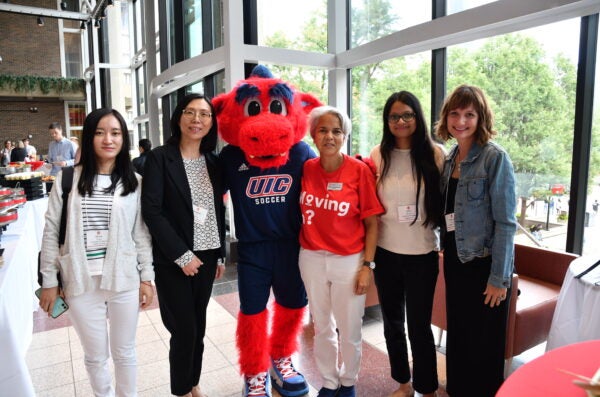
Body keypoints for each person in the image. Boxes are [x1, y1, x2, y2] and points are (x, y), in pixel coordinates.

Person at [214, 65, 321, 397]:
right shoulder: (231, 157)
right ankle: (255, 372)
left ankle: (281, 359)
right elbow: (207, 195)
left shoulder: (301, 152)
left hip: (292, 245)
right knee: (252, 312)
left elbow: (328, 185)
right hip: (252, 249)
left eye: (276, 107)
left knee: (292, 306)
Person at [38, 108, 155, 397]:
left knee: (125, 352)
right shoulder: (68, 180)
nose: (108, 139)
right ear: (89, 137)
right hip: (80, 281)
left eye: (115, 133)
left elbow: (141, 234)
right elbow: (52, 232)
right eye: (100, 132)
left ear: (123, 139)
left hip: (124, 278)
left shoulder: (135, 183)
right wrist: (49, 283)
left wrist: (147, 277)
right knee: (95, 355)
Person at [142, 93, 226, 397]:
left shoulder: (214, 163)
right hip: (175, 259)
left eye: (204, 114)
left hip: (207, 255)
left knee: (199, 328)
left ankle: (193, 382)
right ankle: (181, 389)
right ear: (179, 117)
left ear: (211, 122)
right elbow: (152, 211)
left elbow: (217, 209)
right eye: (190, 113)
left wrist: (219, 256)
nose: (197, 119)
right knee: (184, 330)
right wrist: (181, 255)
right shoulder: (160, 158)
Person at [436, 84, 517, 397]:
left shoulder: (495, 158)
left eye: (469, 114)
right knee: (459, 332)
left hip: (485, 265)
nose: (461, 120)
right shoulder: (450, 157)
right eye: (455, 113)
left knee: (484, 343)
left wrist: (500, 278)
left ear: (480, 118)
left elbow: (507, 224)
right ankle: (457, 389)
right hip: (457, 260)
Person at [298, 106, 384, 397]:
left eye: (336, 131)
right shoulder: (307, 168)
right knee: (322, 326)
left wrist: (366, 266)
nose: (329, 136)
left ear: (345, 136)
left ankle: (348, 381)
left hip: (348, 260)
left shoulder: (359, 171)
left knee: (349, 328)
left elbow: (372, 224)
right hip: (310, 257)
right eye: (323, 130)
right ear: (313, 135)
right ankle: (329, 381)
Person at [369, 91, 444, 397]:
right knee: (392, 324)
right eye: (394, 117)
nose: (400, 122)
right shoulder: (378, 154)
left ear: (418, 117)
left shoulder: (436, 154)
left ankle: (427, 388)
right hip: (386, 253)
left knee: (419, 327)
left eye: (407, 115)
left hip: (422, 254)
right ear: (387, 121)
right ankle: (403, 383)